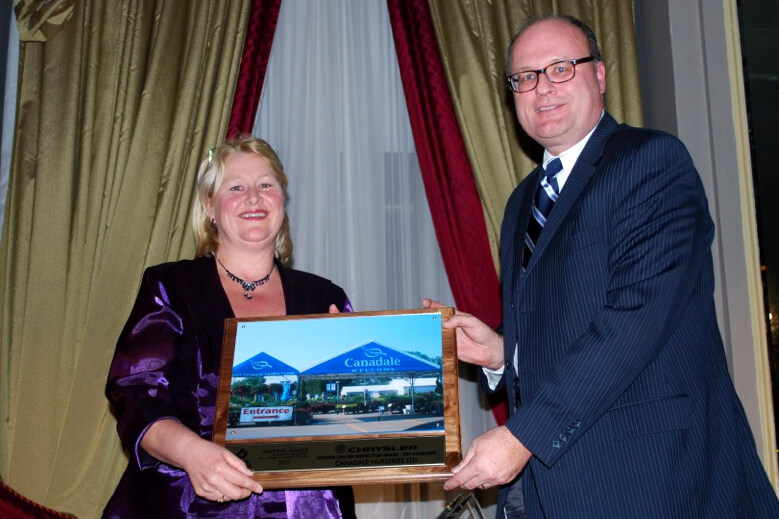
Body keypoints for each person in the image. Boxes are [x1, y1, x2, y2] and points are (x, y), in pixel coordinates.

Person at [426, 14, 779, 518]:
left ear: (600, 76)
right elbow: (570, 321)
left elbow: (635, 319)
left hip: (656, 480)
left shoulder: (651, 162)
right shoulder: (521, 203)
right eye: (524, 77)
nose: (541, 87)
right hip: (555, 489)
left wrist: (524, 435)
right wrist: (503, 352)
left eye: (561, 68)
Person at [103, 136, 357, 518]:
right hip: (188, 503)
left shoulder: (324, 295)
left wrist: (353, 377)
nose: (253, 197)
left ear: (282, 202)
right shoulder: (171, 287)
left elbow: (353, 415)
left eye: (266, 185)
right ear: (210, 207)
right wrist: (192, 453)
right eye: (236, 187)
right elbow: (137, 394)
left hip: (307, 507)